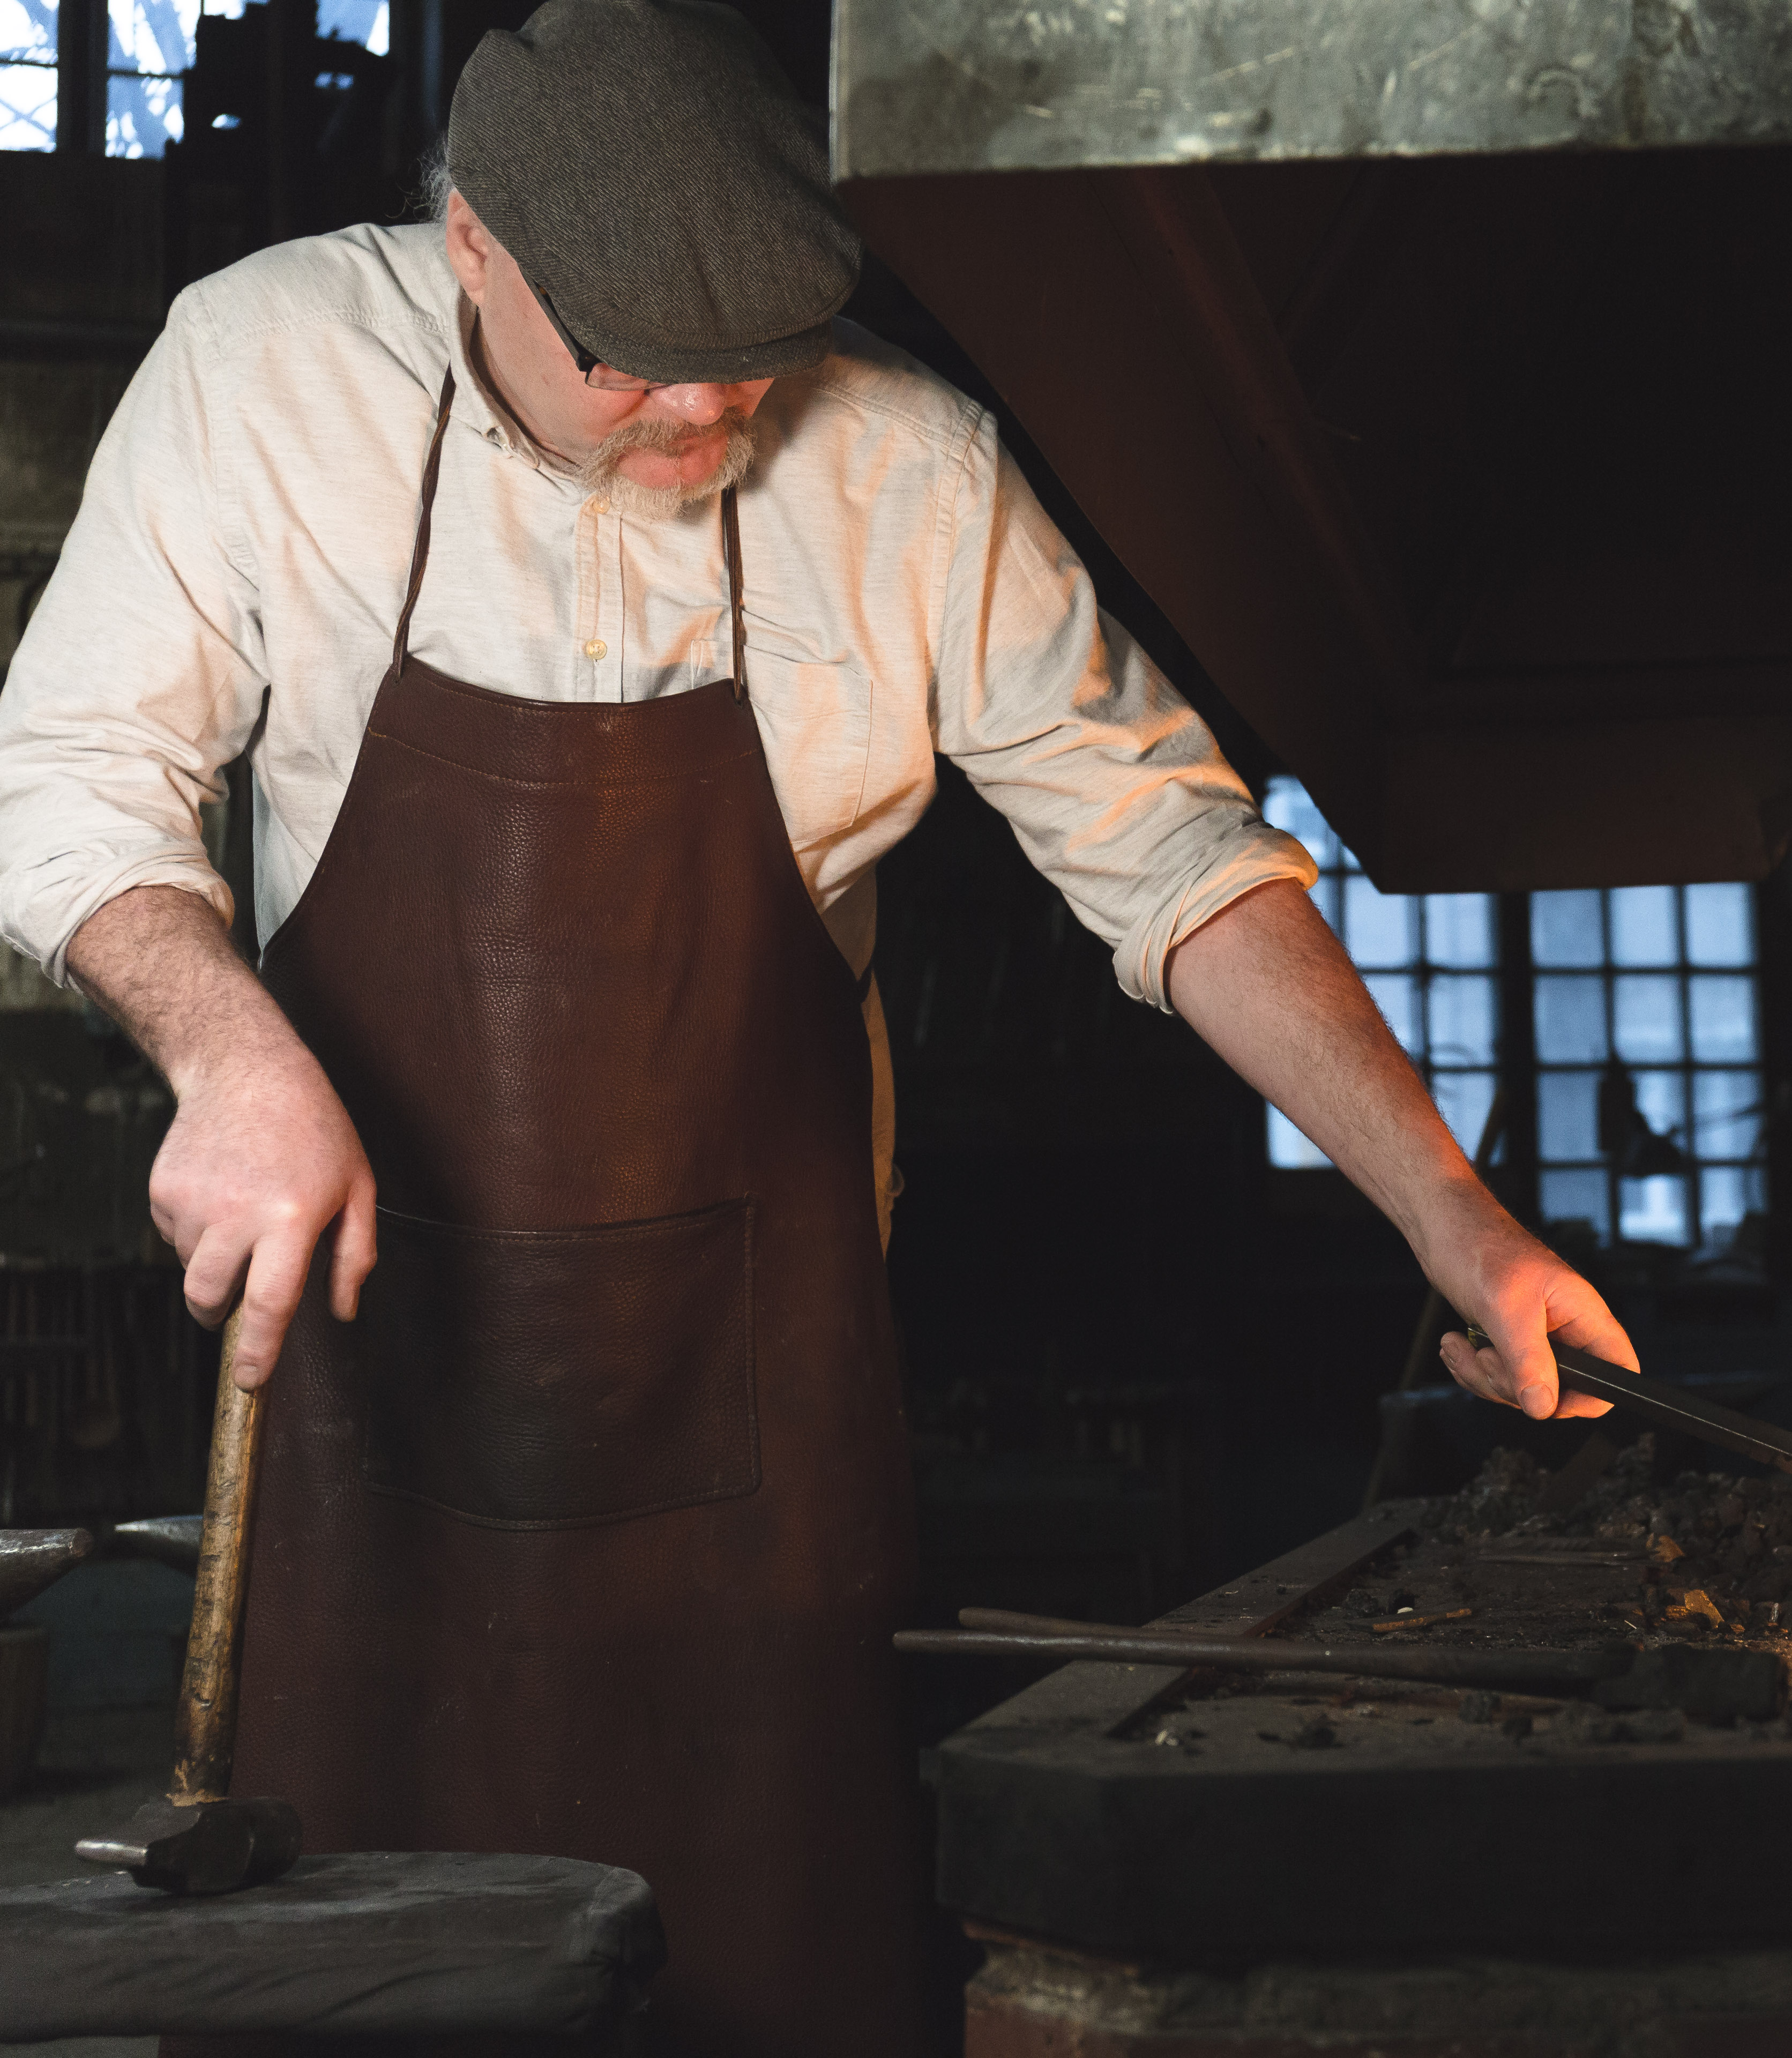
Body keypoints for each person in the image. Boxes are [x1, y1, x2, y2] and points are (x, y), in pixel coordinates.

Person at [0, 0, 1627, 2046]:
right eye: (635, 370)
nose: (702, 418)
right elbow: (69, 782)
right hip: (368, 1405)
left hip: (756, 1440)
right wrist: (228, 1051)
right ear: (477, 246)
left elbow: (1175, 858)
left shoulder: (907, 464)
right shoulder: (265, 374)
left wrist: (1451, 1212)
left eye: (746, 369)